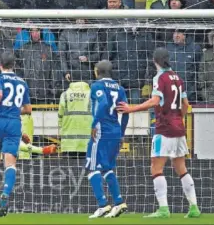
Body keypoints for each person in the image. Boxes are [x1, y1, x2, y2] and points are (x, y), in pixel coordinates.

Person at [117, 48, 201, 218]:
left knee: (156, 168)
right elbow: (185, 104)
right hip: (179, 128)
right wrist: (178, 118)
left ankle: (163, 209)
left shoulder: (159, 78)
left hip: (164, 129)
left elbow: (155, 101)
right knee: (181, 168)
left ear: (154, 61)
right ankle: (194, 207)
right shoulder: (178, 77)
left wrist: (131, 108)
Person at [0, 52, 31, 217]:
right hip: (14, 123)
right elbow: (28, 109)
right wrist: (15, 110)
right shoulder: (23, 83)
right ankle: (6, 194)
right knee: (10, 163)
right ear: (14, 65)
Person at [86, 60, 129, 219]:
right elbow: (126, 112)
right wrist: (122, 133)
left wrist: (94, 123)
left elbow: (103, 102)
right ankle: (119, 202)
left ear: (97, 71)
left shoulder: (96, 86)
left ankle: (103, 205)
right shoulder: (120, 88)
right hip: (116, 131)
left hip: (101, 130)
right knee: (107, 167)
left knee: (91, 166)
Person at [58, 81, 92, 158]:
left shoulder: (65, 94)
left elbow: (60, 114)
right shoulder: (91, 94)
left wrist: (61, 129)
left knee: (69, 167)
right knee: (87, 168)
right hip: (87, 142)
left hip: (69, 143)